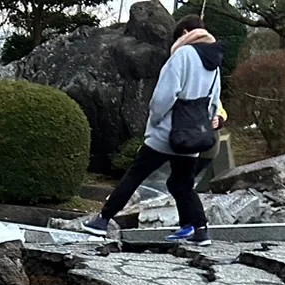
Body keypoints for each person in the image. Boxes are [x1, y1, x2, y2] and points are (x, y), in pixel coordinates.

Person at [83, 15, 224, 245]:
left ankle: (102, 220)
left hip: (166, 132)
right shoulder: (215, 64)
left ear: (186, 32)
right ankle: (200, 229)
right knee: (183, 183)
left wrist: (155, 120)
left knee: (135, 174)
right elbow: (214, 102)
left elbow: (164, 96)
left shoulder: (183, 55)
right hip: (192, 135)